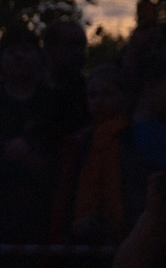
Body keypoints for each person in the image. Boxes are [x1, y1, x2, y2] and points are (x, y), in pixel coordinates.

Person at [0, 26, 65, 243]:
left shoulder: (55, 102)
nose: (19, 56)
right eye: (12, 51)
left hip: (41, 207)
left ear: (38, 56)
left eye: (26, 50)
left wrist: (36, 161)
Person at [53, 66, 144, 244]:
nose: (98, 102)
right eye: (92, 95)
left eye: (107, 94)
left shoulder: (136, 136)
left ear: (126, 98)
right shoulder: (82, 141)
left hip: (130, 232)